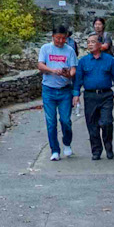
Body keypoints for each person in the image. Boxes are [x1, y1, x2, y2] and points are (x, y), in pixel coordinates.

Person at [72, 32, 114, 160]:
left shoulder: (109, 60)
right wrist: (76, 94)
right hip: (90, 96)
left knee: (106, 122)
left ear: (100, 44)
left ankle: (108, 146)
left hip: (106, 95)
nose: (90, 44)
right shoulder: (83, 62)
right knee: (92, 125)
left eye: (93, 42)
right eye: (88, 42)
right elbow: (78, 80)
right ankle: (96, 150)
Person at [36, 24, 79, 160]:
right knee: (51, 121)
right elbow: (40, 65)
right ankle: (54, 150)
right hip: (48, 89)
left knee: (65, 120)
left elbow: (73, 69)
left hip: (65, 90)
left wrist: (68, 74)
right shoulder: (45, 49)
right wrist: (52, 70)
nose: (60, 41)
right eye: (57, 38)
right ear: (53, 37)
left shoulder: (70, 50)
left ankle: (67, 143)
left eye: (63, 38)